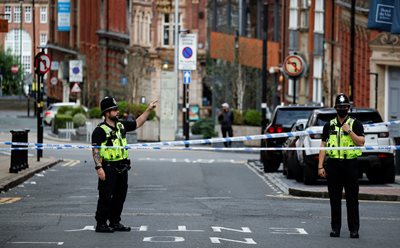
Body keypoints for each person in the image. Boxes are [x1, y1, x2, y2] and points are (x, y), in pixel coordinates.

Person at [92, 97, 157, 233]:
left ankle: (115, 222)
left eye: (117, 109)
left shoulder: (121, 125)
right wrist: (99, 168)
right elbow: (96, 151)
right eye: (114, 110)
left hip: (122, 167)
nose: (117, 111)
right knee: (105, 196)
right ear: (106, 112)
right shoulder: (100, 131)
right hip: (108, 167)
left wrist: (148, 110)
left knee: (120, 197)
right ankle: (101, 223)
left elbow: (137, 123)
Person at [318, 93, 365, 239]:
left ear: (349, 108)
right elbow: (323, 146)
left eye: (344, 107)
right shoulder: (329, 125)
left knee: (352, 199)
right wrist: (320, 166)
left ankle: (354, 229)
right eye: (340, 107)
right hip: (333, 165)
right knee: (334, 199)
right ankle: (335, 228)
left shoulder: (355, 124)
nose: (342, 109)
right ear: (335, 108)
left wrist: (349, 131)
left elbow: (361, 142)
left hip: (350, 165)